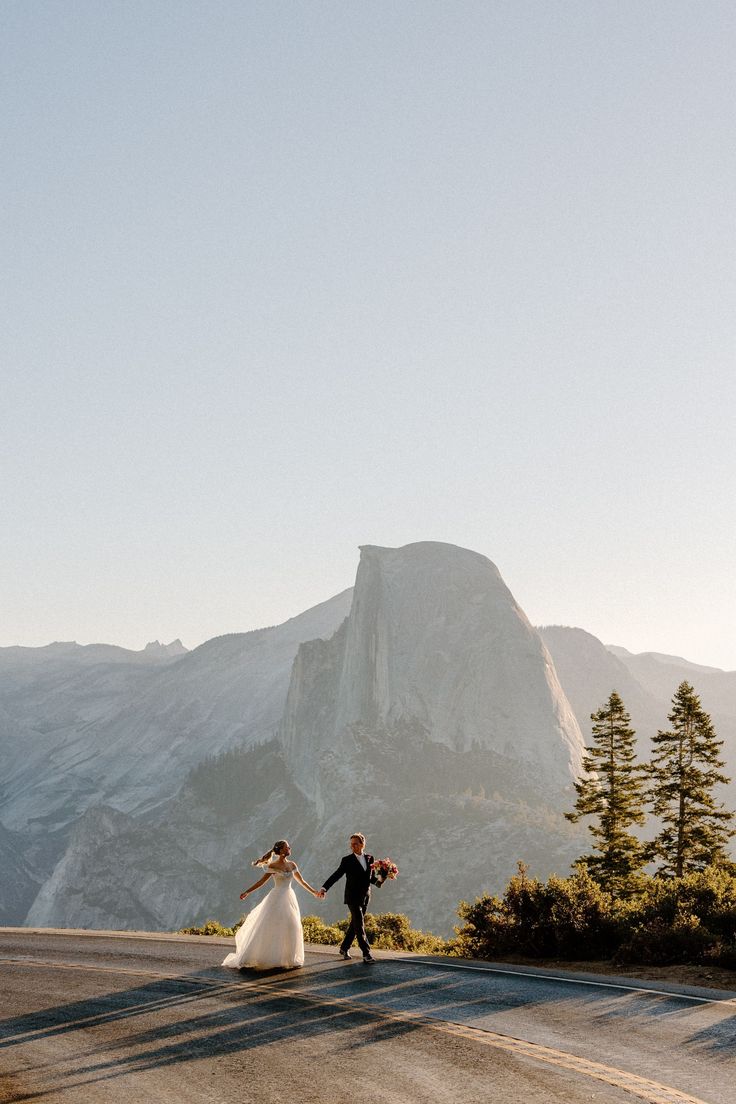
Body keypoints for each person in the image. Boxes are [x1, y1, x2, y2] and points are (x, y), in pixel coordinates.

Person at [222, 839, 321, 970]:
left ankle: (288, 958)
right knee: (273, 926)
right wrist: (247, 892)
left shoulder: (292, 865)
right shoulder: (273, 866)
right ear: (281, 851)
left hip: (289, 897)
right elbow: (261, 882)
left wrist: (314, 892)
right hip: (276, 898)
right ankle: (270, 957)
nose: (289, 848)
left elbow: (301, 881)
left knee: (292, 926)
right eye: (287, 847)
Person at [319, 832, 378, 963]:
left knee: (355, 924)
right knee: (360, 924)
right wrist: (324, 888)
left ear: (362, 844)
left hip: (366, 896)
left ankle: (344, 948)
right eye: (351, 845)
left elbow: (372, 879)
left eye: (355, 844)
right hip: (352, 896)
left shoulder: (370, 858)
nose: (353, 847)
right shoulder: (347, 860)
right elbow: (337, 874)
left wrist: (384, 876)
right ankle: (366, 954)